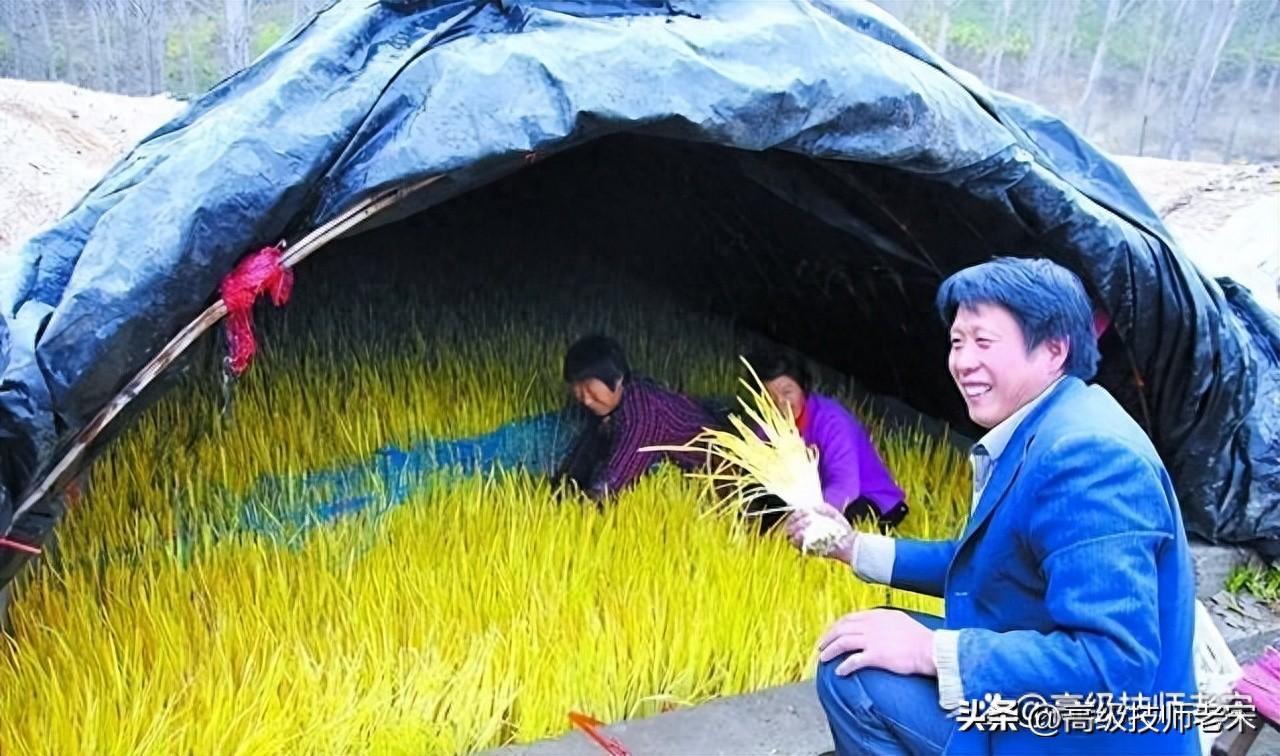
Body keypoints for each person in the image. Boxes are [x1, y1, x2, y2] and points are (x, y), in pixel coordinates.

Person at [785, 257, 1197, 754]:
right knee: (863, 643)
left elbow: (1113, 664)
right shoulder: (1048, 424)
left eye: (984, 342)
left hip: (1090, 737)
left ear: (1053, 350)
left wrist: (929, 651)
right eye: (958, 342)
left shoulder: (1088, 458)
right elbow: (990, 563)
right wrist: (851, 547)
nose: (962, 361)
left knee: (853, 675)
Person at [745, 349, 908, 531]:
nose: (781, 403)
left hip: (866, 498)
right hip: (810, 498)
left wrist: (806, 518)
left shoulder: (832, 422)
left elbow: (845, 487)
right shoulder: (769, 426)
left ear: (803, 387)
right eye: (769, 397)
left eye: (787, 392)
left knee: (832, 531)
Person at [553, 334, 720, 500]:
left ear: (618, 379)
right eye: (579, 393)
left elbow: (612, 481)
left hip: (713, 464)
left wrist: (580, 506)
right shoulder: (620, 398)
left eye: (592, 392)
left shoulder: (643, 417)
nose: (587, 401)